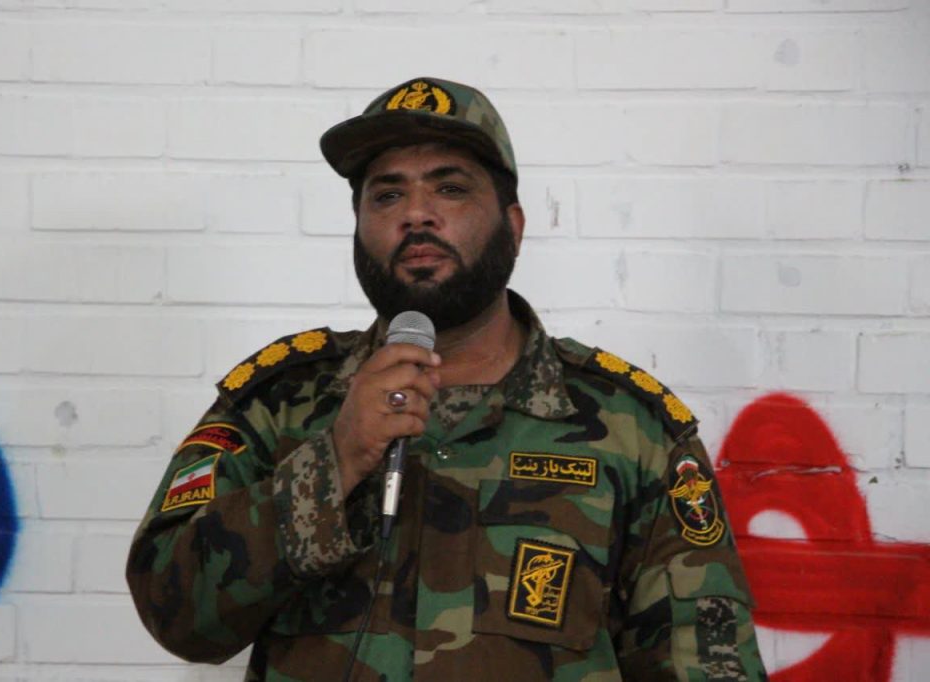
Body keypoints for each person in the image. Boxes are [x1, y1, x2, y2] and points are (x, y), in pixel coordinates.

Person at [127, 76, 768, 681]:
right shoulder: (276, 406)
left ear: (513, 227)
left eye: (451, 189)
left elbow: (709, 661)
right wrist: (335, 461)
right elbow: (174, 615)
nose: (417, 214)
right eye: (387, 195)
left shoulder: (630, 429)